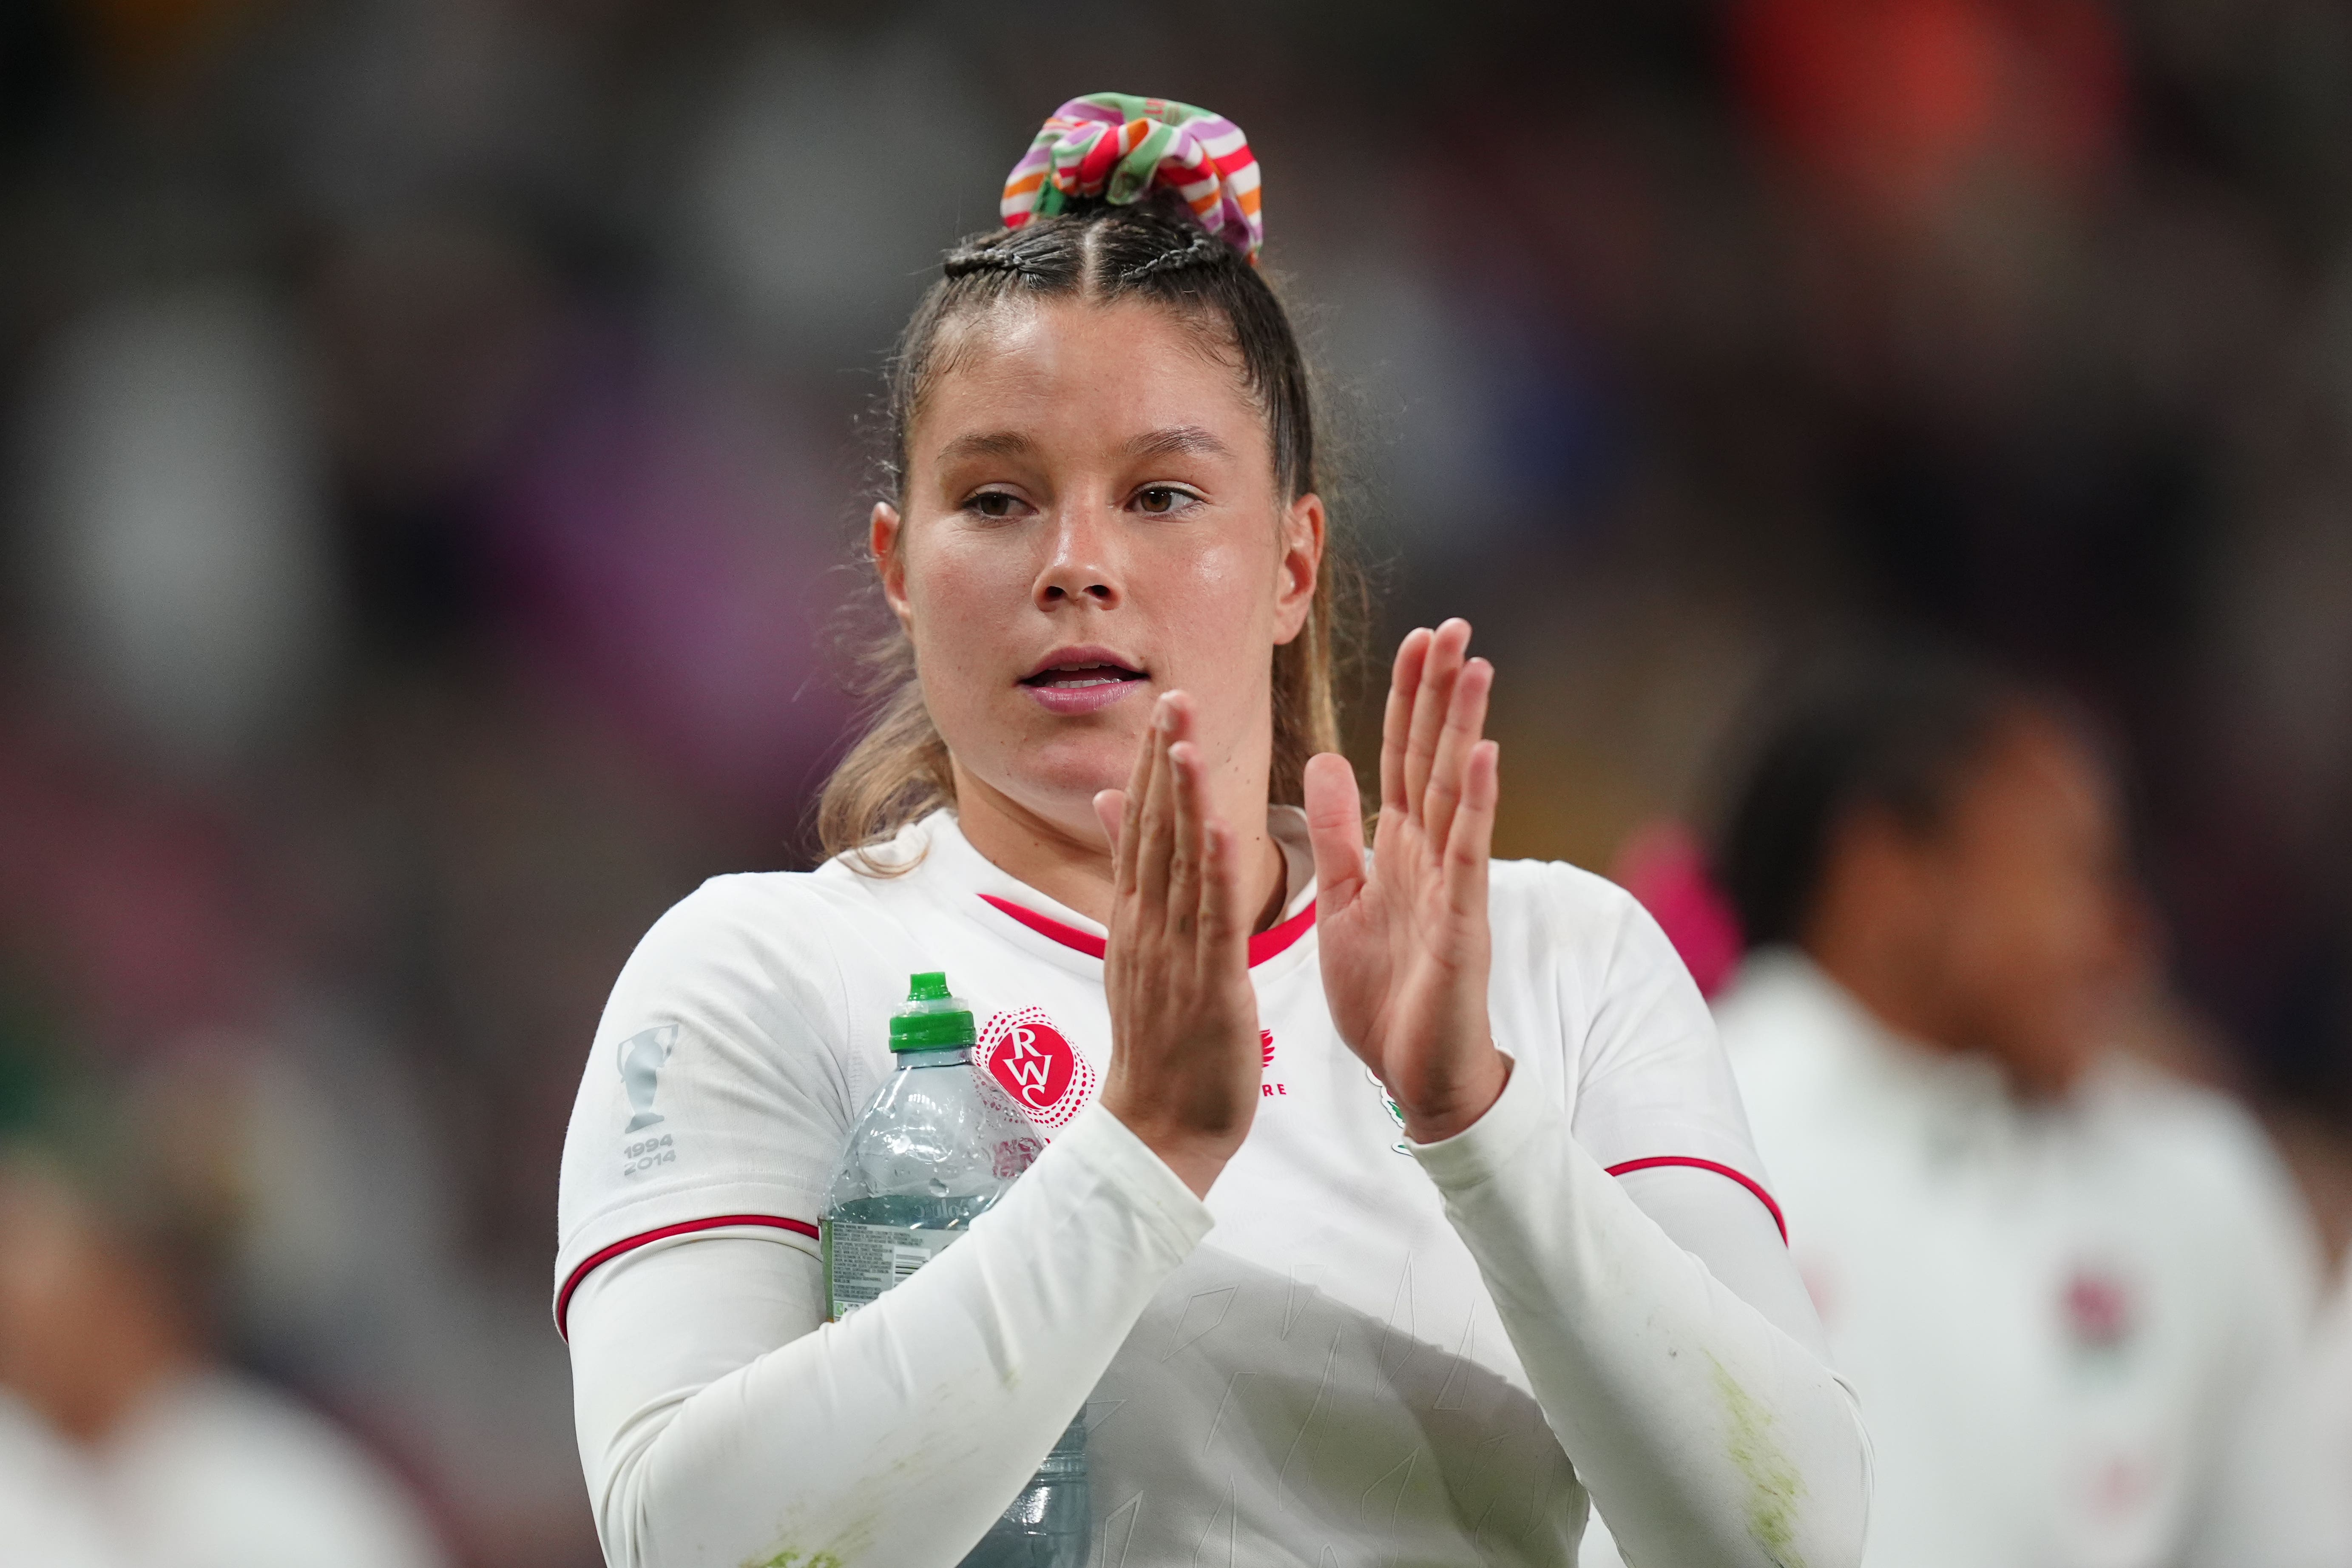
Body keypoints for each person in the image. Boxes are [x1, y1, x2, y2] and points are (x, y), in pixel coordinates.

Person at [555, 94, 1869, 1568]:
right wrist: (1138, 1156)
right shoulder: (758, 976)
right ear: (898, 568)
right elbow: (689, 1543)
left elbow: (1789, 1541)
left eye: (1163, 494)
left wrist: (1477, 1120)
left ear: (1295, 559)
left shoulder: (1555, 961)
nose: (1077, 564)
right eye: (996, 498)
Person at [1689, 653, 2348, 1568]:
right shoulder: (1683, 1137)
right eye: (2074, 865)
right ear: (1888, 874)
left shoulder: (2197, 1180)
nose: (2130, 935)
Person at [0, 1155, 451, 1568]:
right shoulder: (37, 1464)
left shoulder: (274, 1498)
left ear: (131, 1299)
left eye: (29, 1279)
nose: (15, 1320)